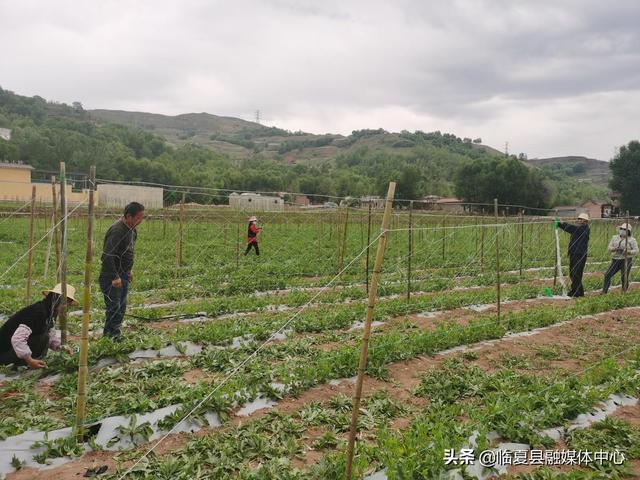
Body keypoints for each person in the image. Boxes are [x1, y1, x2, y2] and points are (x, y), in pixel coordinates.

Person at [0, 284, 76, 369]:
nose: (66, 308)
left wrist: (61, 347)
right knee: (42, 338)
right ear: (59, 300)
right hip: (4, 354)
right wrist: (30, 360)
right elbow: (17, 339)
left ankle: (29, 361)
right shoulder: (38, 312)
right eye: (66, 304)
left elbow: (51, 335)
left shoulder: (49, 312)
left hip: (12, 351)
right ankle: (24, 363)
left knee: (45, 337)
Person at [99, 202, 145, 340]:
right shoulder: (117, 230)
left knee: (121, 307)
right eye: (138, 218)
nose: (140, 221)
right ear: (128, 216)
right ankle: (110, 336)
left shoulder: (132, 230)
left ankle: (115, 333)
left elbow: (127, 252)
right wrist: (115, 276)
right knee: (114, 307)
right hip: (112, 277)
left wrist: (128, 270)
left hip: (123, 275)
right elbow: (107, 255)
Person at [554, 213, 590, 297]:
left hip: (580, 254)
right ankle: (580, 292)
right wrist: (559, 224)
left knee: (576, 273)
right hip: (574, 253)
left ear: (586, 221)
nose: (580, 221)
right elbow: (571, 229)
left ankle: (575, 292)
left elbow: (571, 228)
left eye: (582, 219)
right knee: (573, 273)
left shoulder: (584, 229)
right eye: (579, 219)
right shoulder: (578, 229)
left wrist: (561, 223)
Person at [602, 223, 638, 293]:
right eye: (621, 229)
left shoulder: (632, 240)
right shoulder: (614, 237)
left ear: (628, 231)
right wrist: (614, 249)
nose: (622, 230)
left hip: (626, 260)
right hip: (615, 260)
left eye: (624, 229)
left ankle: (624, 292)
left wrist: (628, 251)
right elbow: (609, 247)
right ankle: (604, 291)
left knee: (624, 277)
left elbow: (636, 250)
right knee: (607, 275)